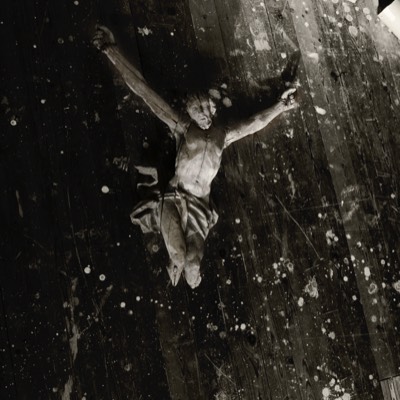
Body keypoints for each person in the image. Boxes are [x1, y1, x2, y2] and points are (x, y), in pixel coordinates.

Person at [93, 25, 298, 288]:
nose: (203, 115)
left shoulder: (223, 133)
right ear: (188, 111)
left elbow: (254, 122)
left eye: (206, 109)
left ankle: (177, 261)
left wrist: (282, 105)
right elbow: (145, 92)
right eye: (196, 110)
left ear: (212, 108)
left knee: (189, 264)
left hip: (199, 204)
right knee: (184, 259)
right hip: (176, 196)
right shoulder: (183, 127)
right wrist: (111, 51)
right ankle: (174, 262)